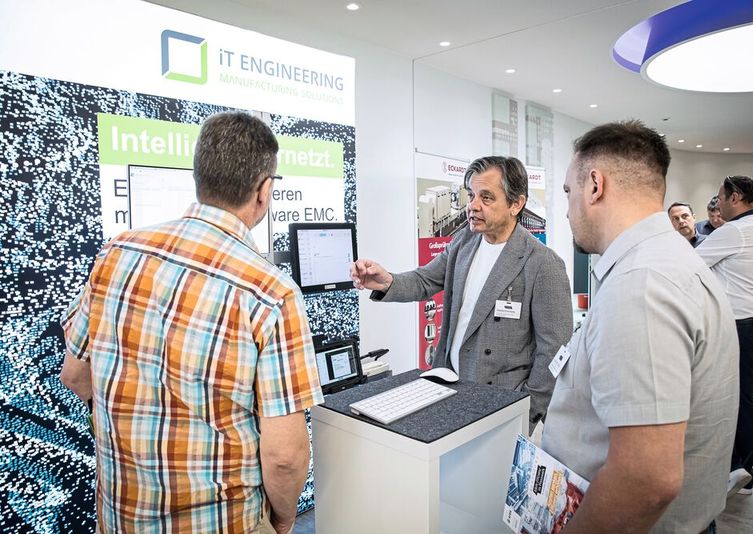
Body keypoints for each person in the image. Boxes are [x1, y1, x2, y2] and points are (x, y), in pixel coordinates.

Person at [60, 112, 323, 534]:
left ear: (199, 175)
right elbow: (285, 456)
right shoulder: (270, 292)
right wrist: (284, 520)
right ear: (264, 190)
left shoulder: (117, 252)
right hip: (221, 521)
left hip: (121, 515)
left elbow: (75, 375)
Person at [543, 120, 738, 533]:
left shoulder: (642, 283)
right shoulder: (666, 262)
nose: (566, 207)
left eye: (567, 192)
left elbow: (646, 481)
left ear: (595, 185)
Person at [351, 156, 572, 431]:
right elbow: (424, 280)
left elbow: (555, 350)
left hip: (501, 404)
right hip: (450, 388)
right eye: (471, 195)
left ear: (516, 204)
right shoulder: (464, 242)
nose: (473, 206)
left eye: (486, 197)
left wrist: (527, 409)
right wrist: (387, 282)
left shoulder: (542, 264)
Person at [696, 175, 753, 498]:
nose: (716, 206)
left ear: (736, 198)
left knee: (736, 403)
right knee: (744, 400)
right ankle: (740, 470)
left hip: (740, 327)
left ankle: (740, 471)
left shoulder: (736, 231)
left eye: (719, 199)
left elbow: (690, 262)